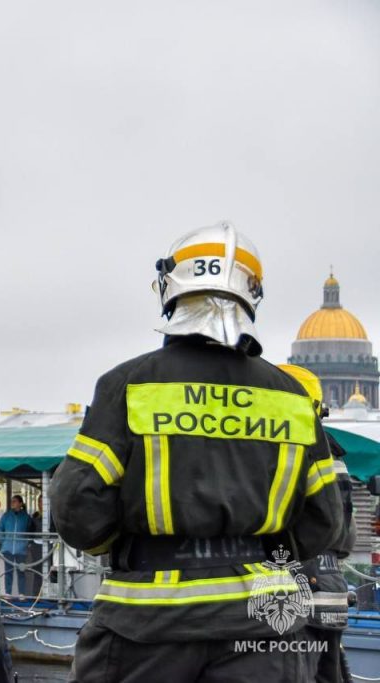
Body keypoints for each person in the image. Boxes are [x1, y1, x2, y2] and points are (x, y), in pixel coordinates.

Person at [51, 222, 344, 682]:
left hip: (145, 626)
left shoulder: (128, 385)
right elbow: (324, 521)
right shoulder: (292, 396)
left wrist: (132, 544)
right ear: (252, 294)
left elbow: (76, 509)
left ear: (171, 288)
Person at [279, 365, 356, 683]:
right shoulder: (332, 454)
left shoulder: (285, 450)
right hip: (331, 592)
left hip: (294, 591)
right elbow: (345, 537)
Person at [0, 494, 34, 597]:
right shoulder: (6, 516)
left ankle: (22, 594)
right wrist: (3, 541)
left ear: (20, 504)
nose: (12, 503)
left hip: (21, 549)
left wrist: (27, 543)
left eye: (15, 501)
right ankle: (8, 593)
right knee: (8, 572)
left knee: (21, 571)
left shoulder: (26, 517)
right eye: (12, 501)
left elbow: (31, 531)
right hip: (8, 548)